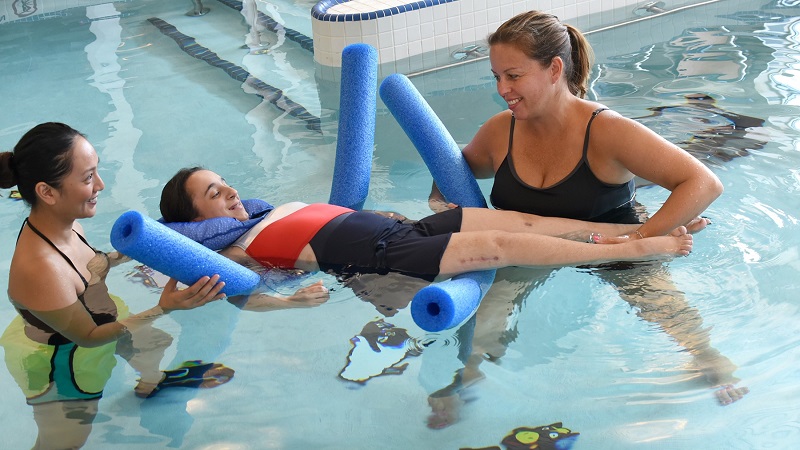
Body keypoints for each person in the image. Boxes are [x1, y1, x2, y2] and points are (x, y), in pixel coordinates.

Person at [426, 10, 748, 426]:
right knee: (482, 328)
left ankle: (711, 362)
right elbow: (448, 176)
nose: (502, 89)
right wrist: (441, 205)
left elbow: (703, 182)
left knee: (671, 317)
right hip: (526, 250)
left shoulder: (606, 131)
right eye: (496, 77)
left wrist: (642, 240)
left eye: (513, 76)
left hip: (611, 246)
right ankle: (466, 382)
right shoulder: (499, 131)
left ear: (554, 68)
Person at [0, 123, 237, 449]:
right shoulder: (41, 269)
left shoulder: (66, 222)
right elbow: (88, 338)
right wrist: (164, 307)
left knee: (152, 344)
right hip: (60, 356)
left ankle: (151, 384)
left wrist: (133, 250)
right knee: (64, 441)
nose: (100, 184)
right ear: (47, 192)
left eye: (96, 172)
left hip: (90, 314)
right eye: (87, 178)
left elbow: (90, 268)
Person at [159, 167, 694, 282]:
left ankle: (636, 233)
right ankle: (651, 250)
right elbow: (245, 288)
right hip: (391, 256)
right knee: (508, 243)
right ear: (194, 219)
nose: (230, 191)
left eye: (225, 183)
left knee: (527, 219)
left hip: (408, 228)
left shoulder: (261, 213)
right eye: (214, 194)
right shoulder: (227, 250)